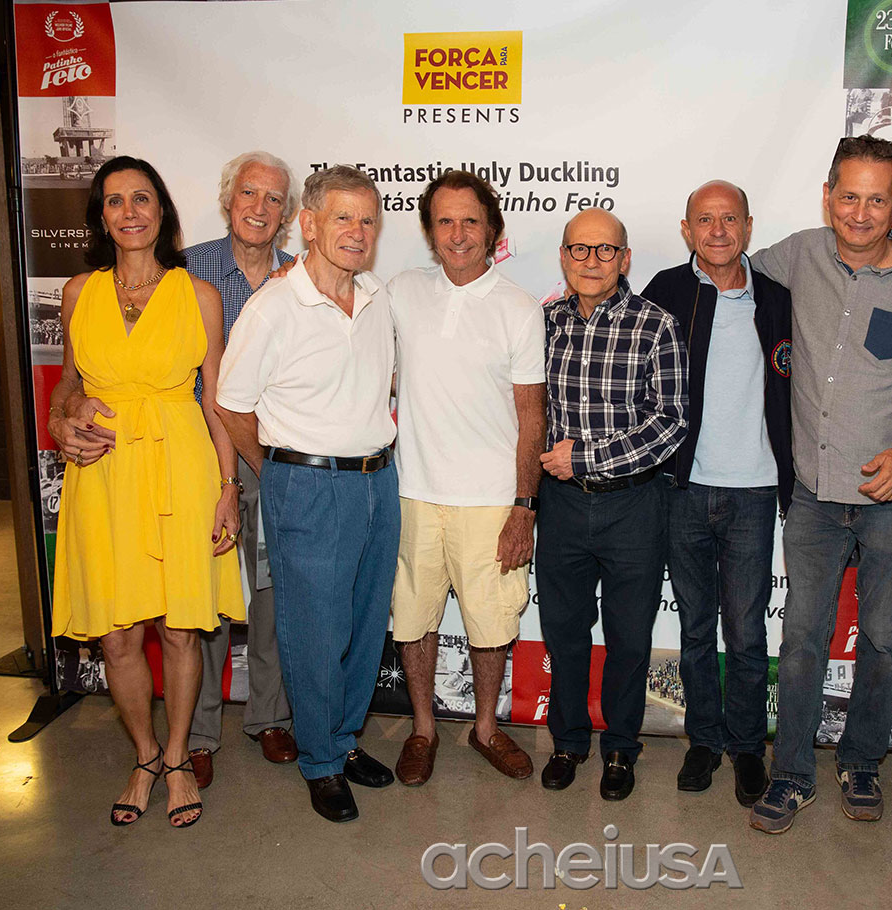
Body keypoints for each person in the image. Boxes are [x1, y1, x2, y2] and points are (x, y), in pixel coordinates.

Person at [746, 135, 892, 833]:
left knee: (885, 640)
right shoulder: (799, 254)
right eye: (849, 196)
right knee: (801, 639)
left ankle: (862, 761)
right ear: (828, 197)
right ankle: (792, 775)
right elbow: (730, 262)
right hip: (813, 493)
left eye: (876, 200)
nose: (860, 213)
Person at [45, 156, 244, 828]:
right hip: (102, 474)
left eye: (141, 198)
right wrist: (62, 418)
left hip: (181, 468)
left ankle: (180, 757)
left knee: (180, 629)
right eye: (114, 201)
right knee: (117, 634)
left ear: (162, 210)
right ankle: (145, 755)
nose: (129, 212)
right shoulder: (79, 292)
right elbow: (68, 382)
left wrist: (227, 489)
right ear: (101, 217)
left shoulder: (199, 296)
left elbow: (216, 402)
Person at [215, 165, 396, 823]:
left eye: (369, 219)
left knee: (366, 625)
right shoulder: (273, 307)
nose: (358, 231)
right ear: (309, 224)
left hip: (379, 480)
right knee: (315, 632)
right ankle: (319, 761)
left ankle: (344, 741)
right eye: (344, 217)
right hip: (307, 484)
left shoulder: (375, 296)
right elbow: (231, 405)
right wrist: (278, 471)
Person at [386, 170, 545, 787]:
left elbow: (532, 417)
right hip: (413, 493)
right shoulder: (400, 292)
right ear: (430, 232)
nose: (458, 234)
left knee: (492, 623)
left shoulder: (519, 308)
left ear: (493, 230)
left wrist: (524, 505)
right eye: (445, 221)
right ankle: (423, 728)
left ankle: (484, 728)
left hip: (490, 501)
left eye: (470, 221)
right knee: (414, 618)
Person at [641, 180, 793, 808]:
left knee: (748, 632)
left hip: (754, 491)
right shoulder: (666, 291)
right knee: (697, 628)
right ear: (687, 230)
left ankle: (748, 746)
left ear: (748, 226)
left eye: (730, 219)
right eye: (705, 220)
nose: (719, 231)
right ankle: (703, 741)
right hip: (683, 489)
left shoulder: (779, 297)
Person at [536, 208, 688, 801]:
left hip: (634, 506)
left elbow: (670, 423)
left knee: (629, 636)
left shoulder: (656, 326)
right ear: (563, 256)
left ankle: (621, 747)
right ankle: (568, 741)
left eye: (606, 250)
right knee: (564, 632)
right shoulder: (544, 324)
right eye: (580, 249)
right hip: (561, 506)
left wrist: (588, 457)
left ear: (625, 260)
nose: (592, 261)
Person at [181, 153, 300, 786]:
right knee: (209, 597)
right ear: (229, 199)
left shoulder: (301, 277)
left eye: (274, 198)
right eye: (249, 193)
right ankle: (198, 731)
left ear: (288, 213)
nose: (259, 207)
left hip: (276, 453)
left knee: (273, 591)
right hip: (203, 458)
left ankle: (269, 717)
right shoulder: (186, 270)